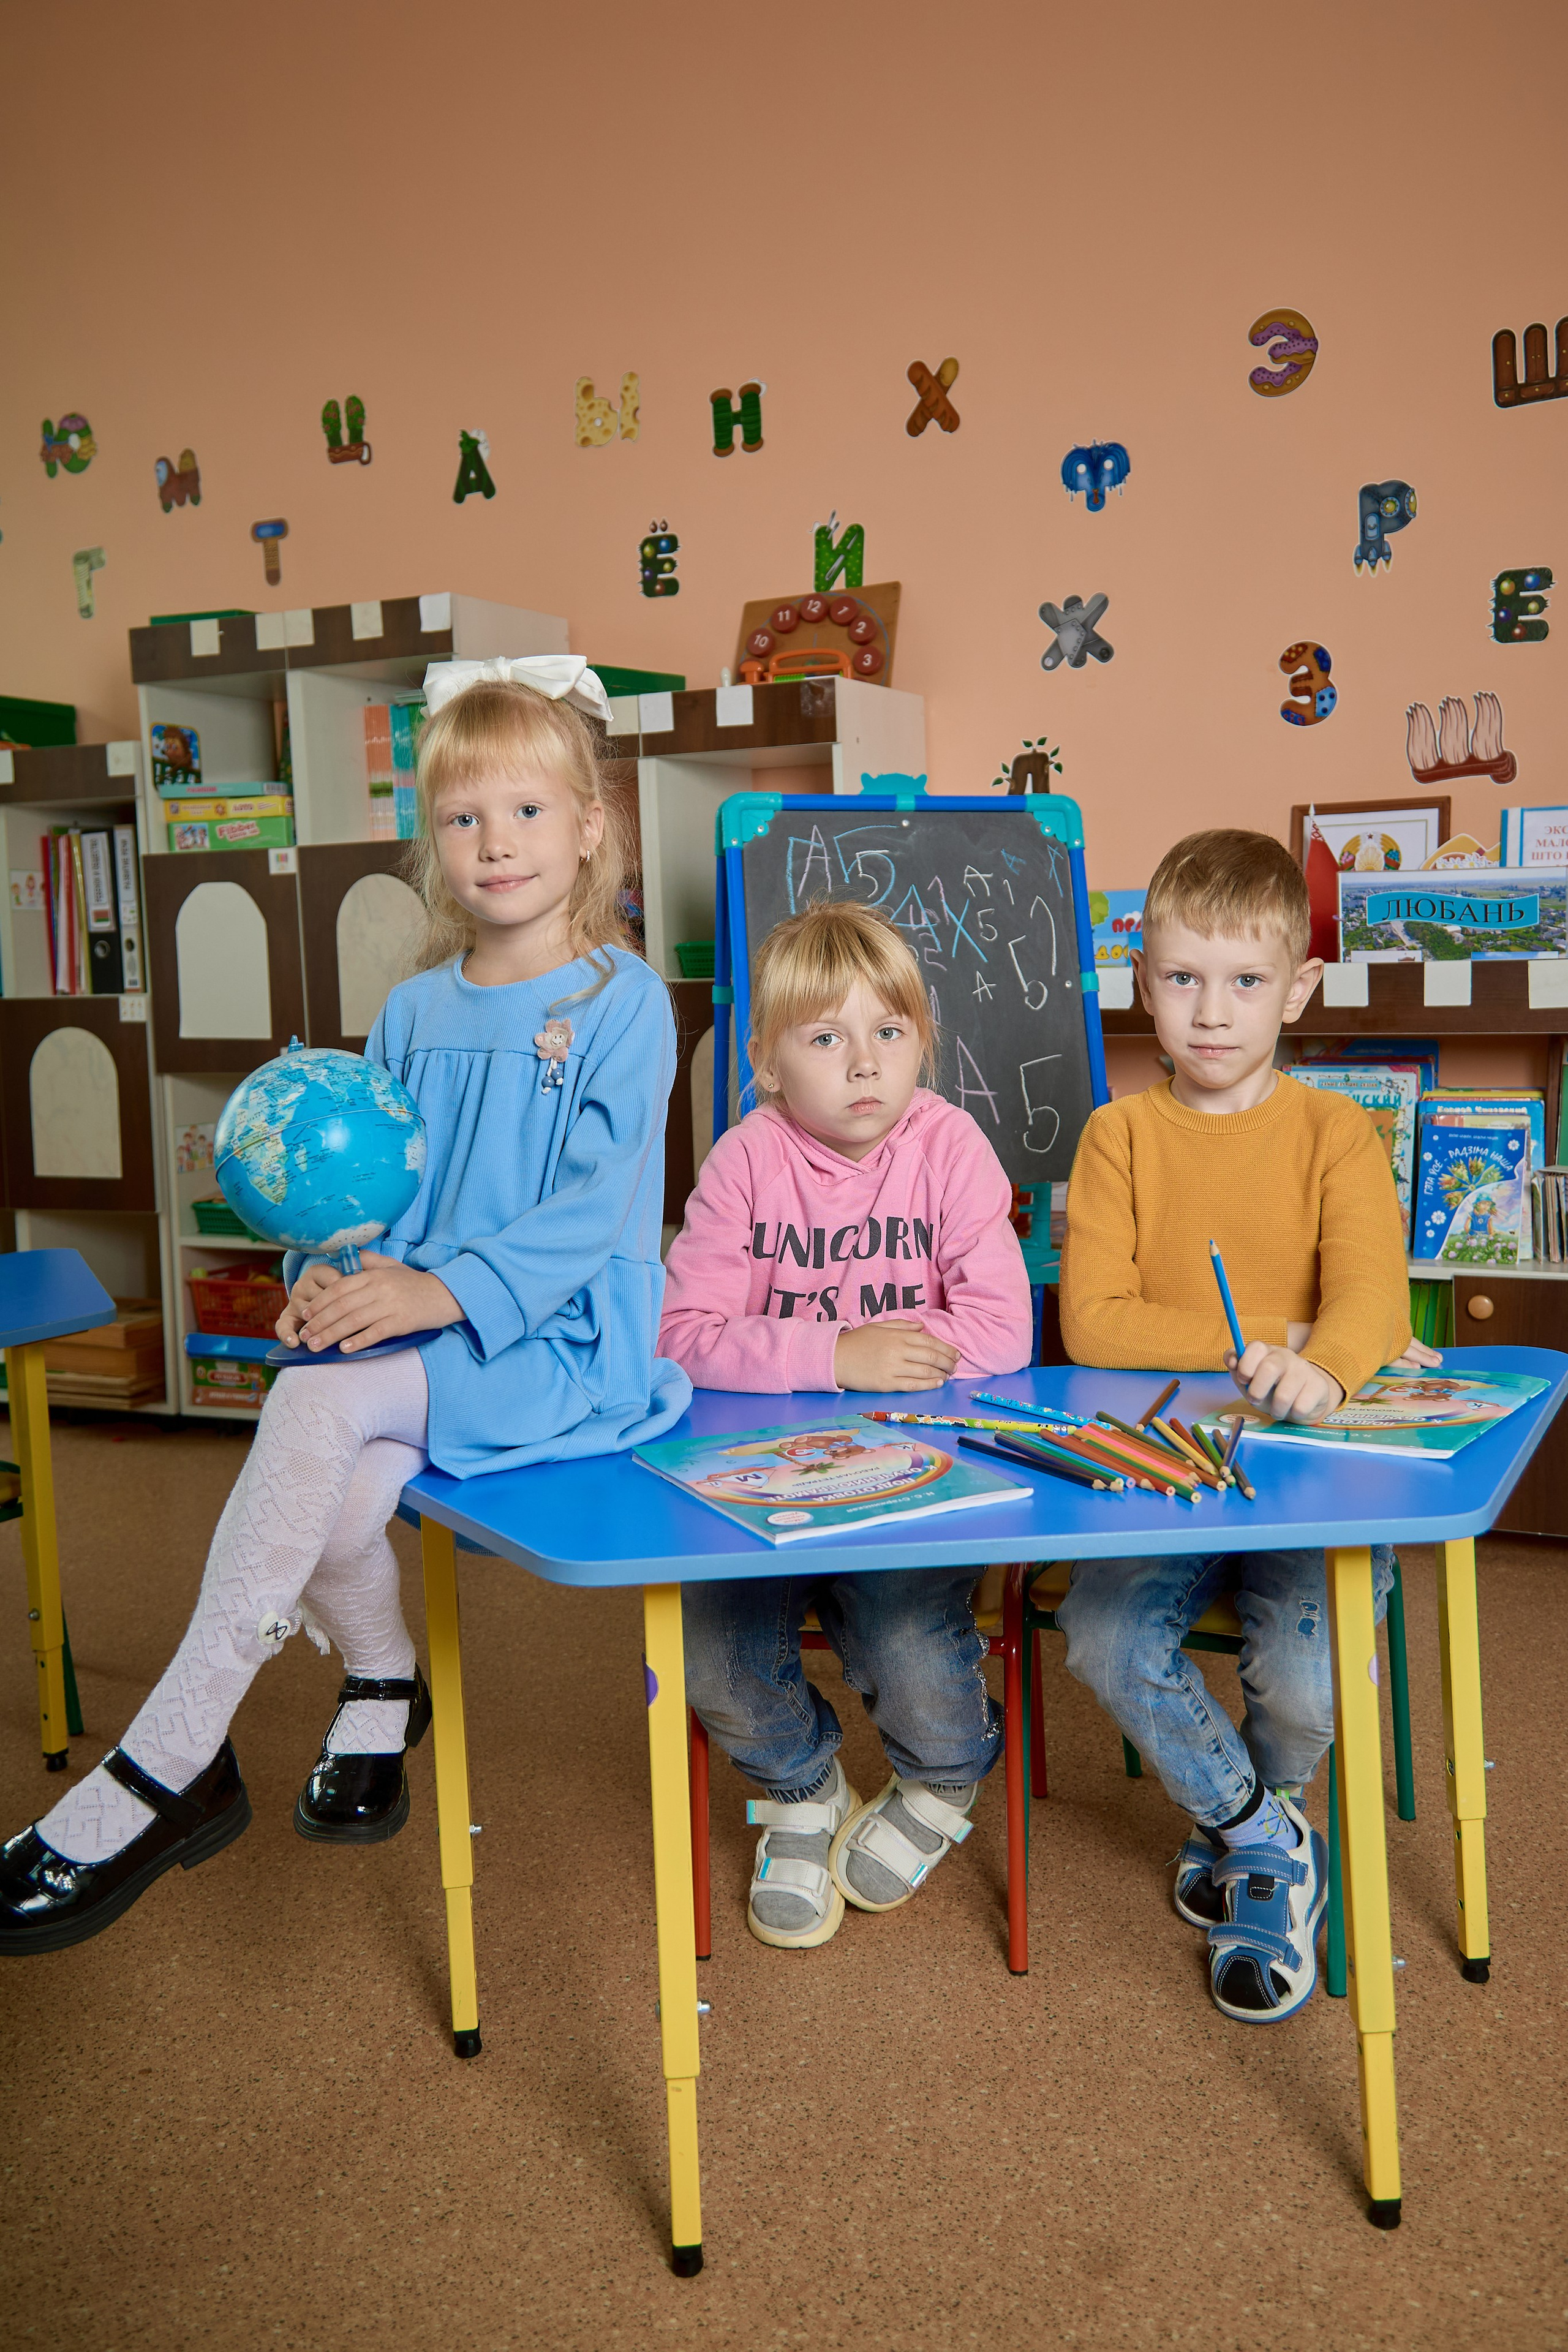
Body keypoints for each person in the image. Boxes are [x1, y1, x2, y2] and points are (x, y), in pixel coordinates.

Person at [1, 662, 690, 1954]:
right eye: (462, 818)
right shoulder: (415, 1008)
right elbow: (373, 1181)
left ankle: (167, 1763)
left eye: (529, 814)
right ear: (432, 841)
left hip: (556, 1340)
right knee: (329, 1483)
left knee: (311, 1411)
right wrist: (326, 1264)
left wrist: (430, 1288)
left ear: (590, 825)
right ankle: (382, 1686)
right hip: (420, 1326)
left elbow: (594, 1211)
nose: (496, 845)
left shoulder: (621, 1003)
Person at [1057, 827, 1439, 2024]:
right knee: (1103, 1639)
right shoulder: (1118, 1135)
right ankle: (1259, 1835)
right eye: (1179, 980)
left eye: (1241, 982)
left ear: (1297, 989)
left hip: (1312, 1472)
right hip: (1165, 1467)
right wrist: (1289, 1327)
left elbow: (1375, 1298)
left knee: (1307, 1677)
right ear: (1140, 982)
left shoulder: (1335, 1133)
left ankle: (1254, 1823)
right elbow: (1095, 1329)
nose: (1208, 1014)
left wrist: (1327, 1361)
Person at [659, 899, 1033, 1950]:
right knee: (713, 1650)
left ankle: (944, 1780)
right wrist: (833, 1355)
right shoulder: (746, 1159)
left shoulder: (949, 1143)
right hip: (759, 1473)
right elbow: (680, 1335)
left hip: (914, 1472)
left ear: (924, 1044)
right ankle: (800, 1790)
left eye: (889, 1033)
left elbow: (1006, 1329)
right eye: (827, 1038)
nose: (864, 1064)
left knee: (915, 1645)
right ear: (771, 1065)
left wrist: (889, 1350)